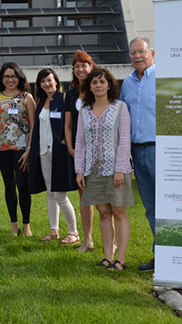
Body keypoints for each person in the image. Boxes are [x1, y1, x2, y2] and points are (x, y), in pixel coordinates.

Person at [75, 67, 133, 271]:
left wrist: (120, 169)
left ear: (109, 84)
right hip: (93, 170)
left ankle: (121, 259)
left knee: (118, 212)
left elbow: (125, 140)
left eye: (102, 81)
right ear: (89, 87)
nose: (98, 86)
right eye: (94, 82)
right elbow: (80, 143)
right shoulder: (84, 111)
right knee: (103, 212)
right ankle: (108, 256)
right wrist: (79, 170)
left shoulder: (120, 108)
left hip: (116, 169)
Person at [29, 68, 79, 244]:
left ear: (56, 81)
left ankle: (74, 233)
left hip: (59, 152)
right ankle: (54, 230)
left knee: (60, 195)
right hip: (44, 151)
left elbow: (70, 123)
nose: (46, 84)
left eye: (49, 80)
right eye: (43, 81)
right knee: (50, 193)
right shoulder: (41, 101)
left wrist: (67, 142)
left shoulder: (63, 98)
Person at [119, 37, 156, 272]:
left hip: (160, 150)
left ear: (151, 53)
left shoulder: (165, 79)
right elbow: (123, 118)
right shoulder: (127, 84)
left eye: (141, 51)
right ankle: (160, 253)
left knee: (169, 203)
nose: (137, 56)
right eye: (133, 53)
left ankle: (176, 254)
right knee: (151, 206)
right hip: (136, 151)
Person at [0, 62, 36, 236]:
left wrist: (30, 149)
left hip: (22, 148)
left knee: (23, 185)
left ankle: (26, 224)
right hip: (2, 149)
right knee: (9, 185)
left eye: (13, 76)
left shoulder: (27, 97)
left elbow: (33, 126)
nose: (10, 80)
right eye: (6, 76)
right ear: (2, 78)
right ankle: (14, 224)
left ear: (19, 77)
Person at [64, 50, 97, 252]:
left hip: (99, 151)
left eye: (84, 65)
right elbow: (68, 125)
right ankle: (88, 240)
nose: (80, 69)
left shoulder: (100, 89)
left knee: (103, 198)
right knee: (84, 195)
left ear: (91, 67)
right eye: (77, 66)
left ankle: (111, 241)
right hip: (77, 152)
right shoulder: (71, 94)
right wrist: (70, 148)